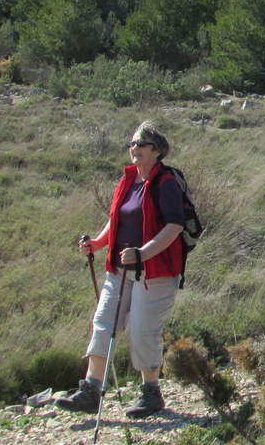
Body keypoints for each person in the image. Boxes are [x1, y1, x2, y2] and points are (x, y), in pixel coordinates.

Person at [56, 122, 185, 418]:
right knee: (104, 323)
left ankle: (151, 394)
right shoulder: (128, 180)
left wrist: (143, 253)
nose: (134, 149)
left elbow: (174, 226)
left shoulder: (166, 183)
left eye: (141, 144)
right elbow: (117, 218)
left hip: (155, 272)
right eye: (132, 144)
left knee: (142, 331)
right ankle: (90, 391)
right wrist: (98, 243)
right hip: (120, 269)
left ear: (157, 150)